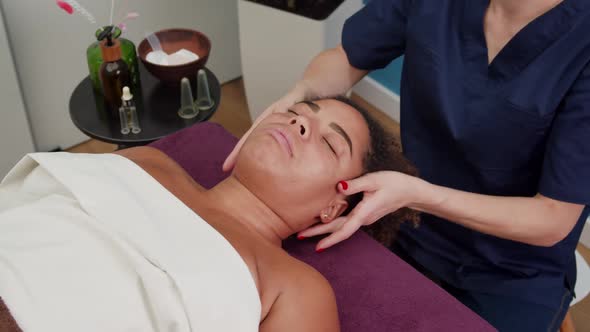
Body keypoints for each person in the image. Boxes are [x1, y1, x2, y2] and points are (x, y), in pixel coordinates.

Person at [223, 0, 590, 330]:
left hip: (510, 271)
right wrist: (303, 95)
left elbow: (553, 218)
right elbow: (346, 56)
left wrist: (417, 194)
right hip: (406, 227)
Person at [0, 97, 417, 332]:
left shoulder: (293, 287)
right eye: (298, 112)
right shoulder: (150, 161)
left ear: (333, 206)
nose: (300, 124)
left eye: (330, 143)